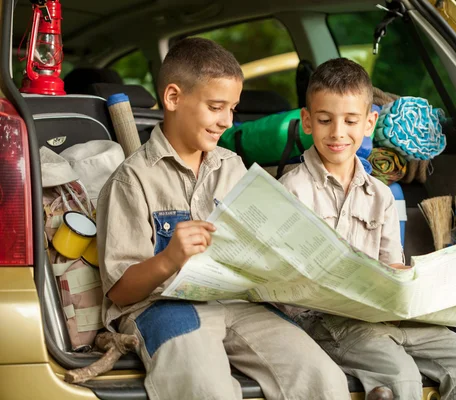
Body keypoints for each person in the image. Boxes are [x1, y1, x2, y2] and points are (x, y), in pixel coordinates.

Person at [96, 38, 351, 400]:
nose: (227, 121)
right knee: (207, 387)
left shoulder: (231, 166)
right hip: (162, 306)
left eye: (232, 108)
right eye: (216, 107)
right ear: (172, 98)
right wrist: (170, 259)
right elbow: (120, 291)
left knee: (323, 378)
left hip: (236, 303)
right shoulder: (131, 181)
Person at [278, 57, 456, 400]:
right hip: (329, 320)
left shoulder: (381, 194)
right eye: (324, 120)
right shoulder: (292, 189)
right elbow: (284, 280)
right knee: (400, 376)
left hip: (389, 315)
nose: (337, 132)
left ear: (369, 123)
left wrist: (454, 275)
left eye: (350, 121)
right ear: (307, 121)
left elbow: (392, 268)